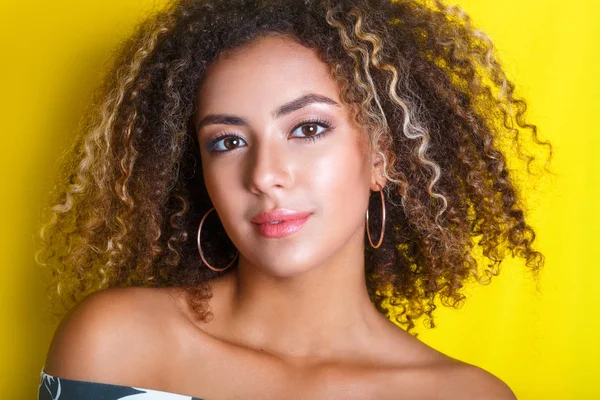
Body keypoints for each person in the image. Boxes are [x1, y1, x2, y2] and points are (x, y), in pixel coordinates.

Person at [36, 0, 552, 398]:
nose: (263, 174)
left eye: (307, 128)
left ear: (383, 157)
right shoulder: (115, 346)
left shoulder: (463, 395)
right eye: (227, 141)